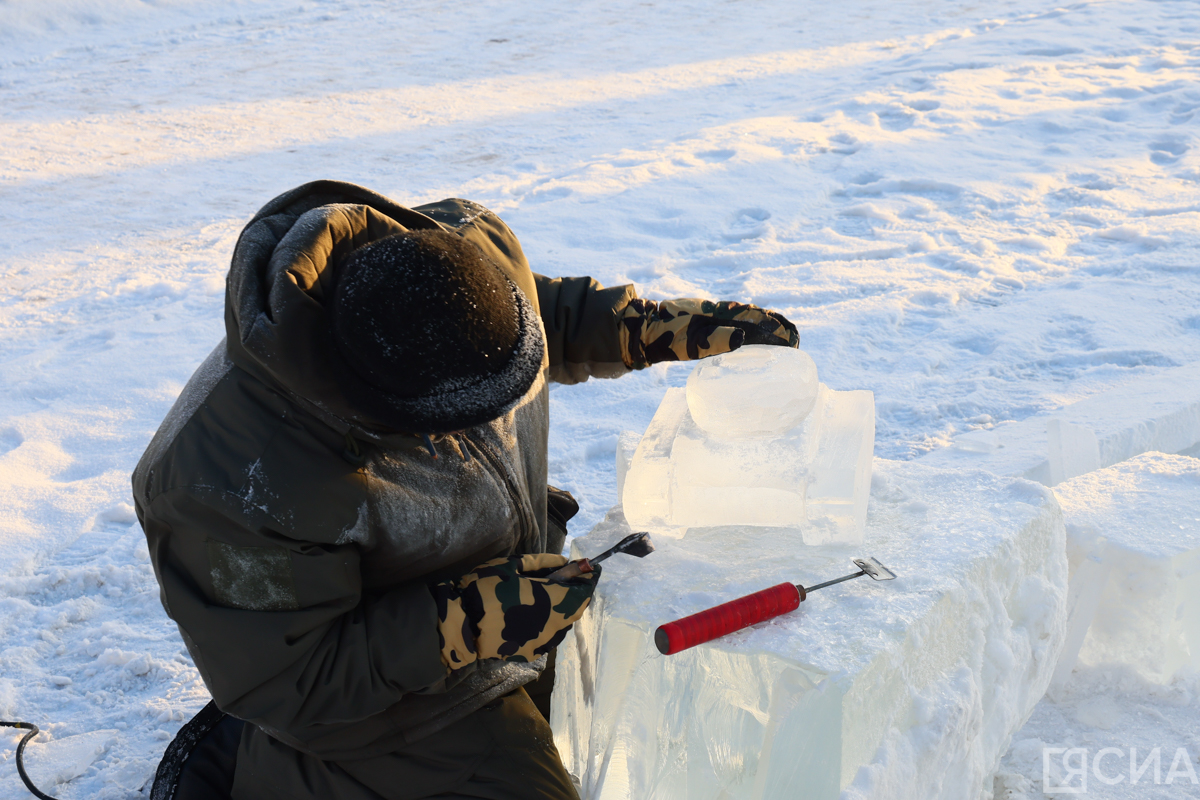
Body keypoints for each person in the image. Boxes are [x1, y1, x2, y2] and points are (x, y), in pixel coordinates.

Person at [133, 180, 797, 800]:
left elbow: (540, 316)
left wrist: (644, 328)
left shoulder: (454, 255)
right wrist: (462, 623)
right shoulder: (230, 485)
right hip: (403, 708)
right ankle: (291, 777)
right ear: (380, 411)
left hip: (504, 586)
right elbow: (296, 683)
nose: (494, 425)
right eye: (463, 417)